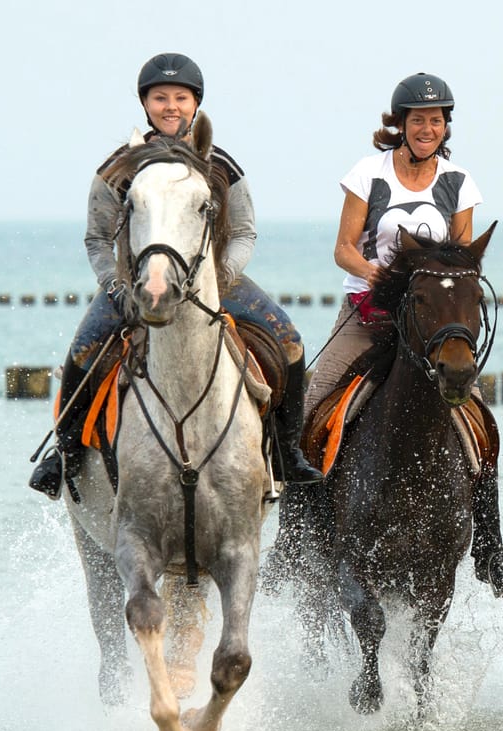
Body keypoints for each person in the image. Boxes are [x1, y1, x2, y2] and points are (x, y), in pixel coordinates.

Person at [29, 52, 326, 500]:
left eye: (180, 97)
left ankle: (287, 452)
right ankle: (65, 453)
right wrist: (116, 287)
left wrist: (221, 275)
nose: (171, 106)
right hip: (136, 283)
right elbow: (97, 240)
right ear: (145, 104)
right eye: (160, 97)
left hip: (214, 280)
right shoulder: (117, 168)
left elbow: (244, 232)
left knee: (289, 342)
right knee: (83, 351)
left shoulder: (223, 164)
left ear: (195, 103)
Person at [302, 71, 503, 598]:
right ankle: (302, 534)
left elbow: (463, 258)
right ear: (400, 124)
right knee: (314, 399)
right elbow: (343, 248)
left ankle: (491, 550)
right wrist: (381, 276)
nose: (427, 127)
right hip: (368, 313)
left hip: (429, 326)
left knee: (478, 424)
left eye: (436, 120)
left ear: (445, 126)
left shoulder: (458, 182)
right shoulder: (368, 173)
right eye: (418, 119)